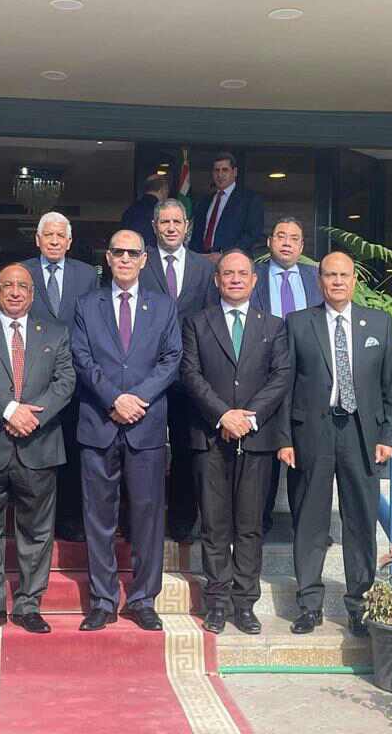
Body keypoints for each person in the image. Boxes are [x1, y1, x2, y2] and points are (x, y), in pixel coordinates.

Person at [278, 251, 392, 638]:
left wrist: (389, 437)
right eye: (330, 275)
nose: (337, 282)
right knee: (310, 521)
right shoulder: (299, 323)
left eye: (344, 275)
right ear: (319, 281)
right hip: (312, 433)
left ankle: (359, 606)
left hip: (362, 435)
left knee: (360, 521)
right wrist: (284, 438)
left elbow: (390, 384)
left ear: (354, 280)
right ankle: (309, 605)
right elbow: (284, 385)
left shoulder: (378, 323)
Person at [0, 264, 76, 635]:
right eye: (7, 285)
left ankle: (28, 605)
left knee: (36, 531)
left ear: (33, 294)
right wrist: (9, 410)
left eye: (23, 286)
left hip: (38, 445)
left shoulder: (55, 333)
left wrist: (32, 418)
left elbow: (65, 381)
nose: (15, 292)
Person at [71, 229, 182, 632]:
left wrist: (137, 399)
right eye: (117, 251)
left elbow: (172, 359)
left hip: (145, 425)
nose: (124, 258)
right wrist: (113, 399)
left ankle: (143, 599)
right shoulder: (87, 305)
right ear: (108, 257)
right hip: (99, 422)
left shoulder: (163, 307)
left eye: (132, 253)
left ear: (144, 260)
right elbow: (81, 358)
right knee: (98, 516)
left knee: (147, 515)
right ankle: (103, 600)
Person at [180, 250, 289, 635]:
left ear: (254, 280)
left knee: (249, 525)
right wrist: (223, 414)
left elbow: (280, 376)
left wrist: (248, 417)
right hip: (210, 436)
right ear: (217, 280)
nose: (236, 279)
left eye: (243, 273)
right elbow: (190, 374)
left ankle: (244, 604)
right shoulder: (197, 323)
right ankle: (217, 601)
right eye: (228, 273)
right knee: (214, 524)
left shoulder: (273, 326)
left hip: (256, 440)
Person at [138, 198, 217, 542]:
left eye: (176, 222)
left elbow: (210, 319)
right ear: (154, 227)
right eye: (164, 222)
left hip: (190, 375)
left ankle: (183, 522)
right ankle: (142, 523)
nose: (171, 227)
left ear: (187, 227)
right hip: (147, 373)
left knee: (186, 450)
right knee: (144, 451)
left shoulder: (204, 268)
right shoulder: (140, 262)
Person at [22, 211, 98, 542]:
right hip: (33, 378)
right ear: (37, 240)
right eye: (48, 235)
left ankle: (69, 519)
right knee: (35, 454)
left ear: (69, 242)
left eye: (60, 236)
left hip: (76, 379)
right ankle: (36, 522)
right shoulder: (22, 271)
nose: (54, 241)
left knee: (72, 451)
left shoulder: (87, 274)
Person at [252, 217, 325, 535]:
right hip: (262, 374)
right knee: (263, 453)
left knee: (308, 452)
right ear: (270, 242)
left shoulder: (315, 277)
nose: (286, 242)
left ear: (302, 246)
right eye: (280, 236)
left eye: (294, 238)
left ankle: (308, 526)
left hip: (306, 376)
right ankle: (260, 522)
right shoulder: (253, 276)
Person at [188, 152, 265, 258]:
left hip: (233, 261)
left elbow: (252, 234)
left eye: (225, 170)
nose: (220, 175)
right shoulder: (204, 201)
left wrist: (224, 254)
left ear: (235, 172)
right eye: (217, 170)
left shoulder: (250, 200)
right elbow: (196, 234)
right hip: (202, 260)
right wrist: (195, 256)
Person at [121, 174, 170, 249]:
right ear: (162, 190)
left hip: (131, 251)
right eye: (167, 190)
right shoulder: (162, 211)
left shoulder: (129, 210)